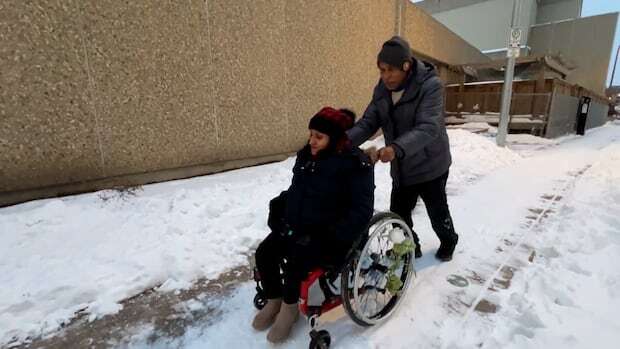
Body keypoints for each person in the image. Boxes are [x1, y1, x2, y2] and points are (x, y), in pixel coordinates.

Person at [252, 107, 374, 343]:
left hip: (331, 236)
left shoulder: (355, 165)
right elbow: (299, 191)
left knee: (296, 262)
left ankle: (289, 310)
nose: (312, 141)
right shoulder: (307, 157)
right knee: (265, 252)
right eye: (311, 134)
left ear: (335, 138)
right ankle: (274, 298)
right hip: (300, 226)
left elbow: (361, 211)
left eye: (318, 136)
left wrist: (329, 235)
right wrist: (279, 206)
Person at [347, 36, 459, 262]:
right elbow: (369, 121)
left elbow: (429, 127)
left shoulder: (431, 86)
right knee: (399, 213)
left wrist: (396, 148)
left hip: (431, 165)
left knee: (436, 212)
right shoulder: (382, 89)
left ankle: (449, 240)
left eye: (390, 70)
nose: (385, 76)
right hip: (402, 167)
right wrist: (343, 141)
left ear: (406, 66)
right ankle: (409, 247)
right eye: (381, 70)